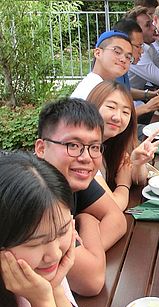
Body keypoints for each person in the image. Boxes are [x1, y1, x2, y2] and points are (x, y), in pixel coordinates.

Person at [35, 98, 127, 296]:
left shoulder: (73, 176)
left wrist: (86, 253)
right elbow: (91, 282)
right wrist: (89, 220)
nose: (85, 157)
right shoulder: (39, 197)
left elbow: (118, 220)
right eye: (73, 145)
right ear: (41, 149)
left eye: (94, 147)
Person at [0, 151, 97, 307]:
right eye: (35, 243)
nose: (54, 254)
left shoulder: (41, 272)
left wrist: (55, 290)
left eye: (62, 231)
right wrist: (43, 303)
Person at [87, 81, 159, 210]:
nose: (118, 117)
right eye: (111, 107)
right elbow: (114, 207)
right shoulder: (84, 152)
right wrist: (123, 184)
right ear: (93, 106)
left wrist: (138, 164)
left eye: (125, 112)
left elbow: (138, 180)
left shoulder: (111, 143)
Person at [112, 18, 159, 122]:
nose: (142, 51)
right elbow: (113, 120)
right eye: (138, 46)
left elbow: (125, 91)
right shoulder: (107, 75)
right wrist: (146, 108)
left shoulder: (121, 67)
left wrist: (151, 94)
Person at [125, 6, 159, 93]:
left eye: (152, 24)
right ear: (135, 32)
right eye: (148, 25)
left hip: (140, 94)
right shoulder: (134, 51)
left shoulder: (147, 45)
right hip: (127, 101)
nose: (154, 28)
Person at [71, 30, 133, 100]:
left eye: (128, 57)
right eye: (117, 52)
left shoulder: (107, 87)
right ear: (98, 53)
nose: (123, 59)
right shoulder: (90, 90)